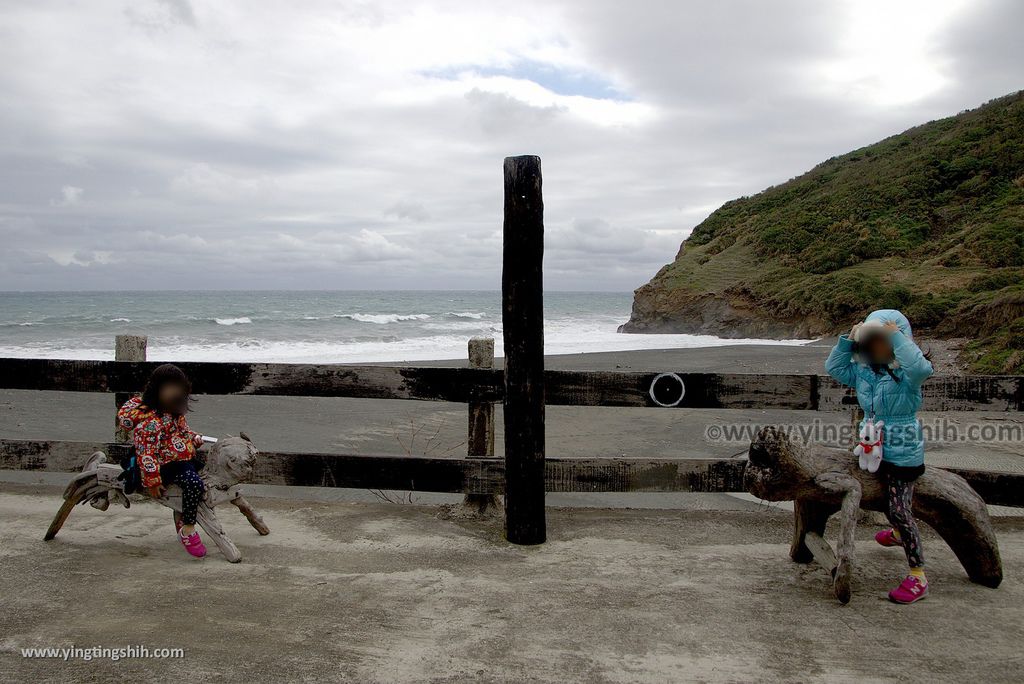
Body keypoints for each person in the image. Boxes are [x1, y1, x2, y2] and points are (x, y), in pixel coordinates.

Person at [825, 309, 934, 604]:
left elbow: (922, 369)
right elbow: (833, 367)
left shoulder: (907, 374)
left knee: (898, 508)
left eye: (883, 340)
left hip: (902, 450)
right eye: (872, 340)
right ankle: (899, 531)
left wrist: (896, 334)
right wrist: (849, 339)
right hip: (873, 447)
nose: (877, 346)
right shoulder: (863, 370)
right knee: (882, 498)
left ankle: (918, 576)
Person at [117, 364, 207, 558]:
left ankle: (183, 517)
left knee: (202, 480)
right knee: (194, 484)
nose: (175, 392)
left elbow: (182, 433)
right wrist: (153, 480)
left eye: (178, 388)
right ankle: (188, 529)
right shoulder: (151, 422)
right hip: (164, 466)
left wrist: (194, 438)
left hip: (181, 459)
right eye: (169, 388)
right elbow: (146, 453)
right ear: (156, 390)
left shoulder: (175, 413)